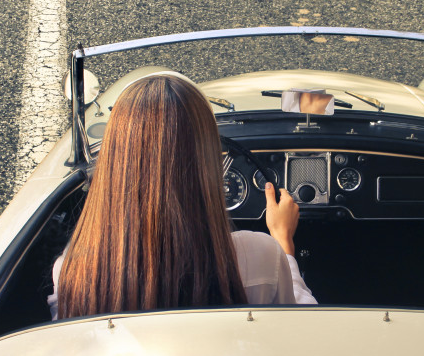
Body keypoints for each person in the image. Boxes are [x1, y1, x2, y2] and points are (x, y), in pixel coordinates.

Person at [50, 72, 315, 320]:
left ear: (114, 163)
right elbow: (304, 322)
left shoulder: (73, 269)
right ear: (207, 162)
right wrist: (283, 242)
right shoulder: (261, 255)